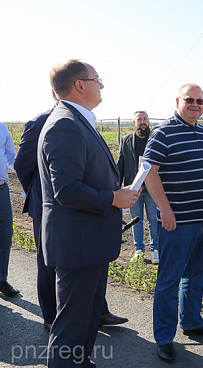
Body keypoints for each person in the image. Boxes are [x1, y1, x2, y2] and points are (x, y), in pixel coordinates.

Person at [38, 59, 138, 366]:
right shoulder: (65, 124)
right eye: (98, 79)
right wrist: (113, 197)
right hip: (77, 246)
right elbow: (66, 190)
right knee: (71, 329)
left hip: (88, 243)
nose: (102, 85)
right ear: (80, 85)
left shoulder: (77, 120)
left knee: (87, 320)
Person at [14, 91, 128, 330]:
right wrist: (39, 194)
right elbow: (22, 164)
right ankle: (51, 316)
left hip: (84, 206)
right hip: (49, 206)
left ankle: (98, 312)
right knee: (49, 264)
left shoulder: (84, 120)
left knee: (88, 265)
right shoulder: (44, 122)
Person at [143, 83, 203, 363]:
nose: (196, 104)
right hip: (177, 223)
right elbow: (149, 173)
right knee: (169, 279)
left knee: (195, 274)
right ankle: (164, 337)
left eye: (200, 101)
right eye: (190, 100)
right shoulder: (163, 133)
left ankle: (192, 322)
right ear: (178, 101)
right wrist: (165, 210)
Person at [117, 110, 159, 264]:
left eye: (145, 119)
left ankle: (156, 250)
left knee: (154, 219)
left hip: (152, 188)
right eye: (139, 119)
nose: (143, 122)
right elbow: (120, 165)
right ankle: (139, 250)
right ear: (134, 122)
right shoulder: (125, 140)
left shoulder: (155, 140)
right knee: (136, 219)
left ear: (149, 122)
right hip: (133, 187)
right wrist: (118, 186)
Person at [0, 121, 18, 298]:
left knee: (5, 235)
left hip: (1, 190)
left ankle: (1, 280)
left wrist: (28, 173)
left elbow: (11, 157)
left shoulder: (2, 128)